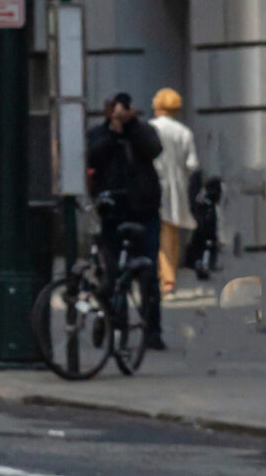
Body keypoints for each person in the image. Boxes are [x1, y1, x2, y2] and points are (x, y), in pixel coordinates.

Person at [85, 91, 166, 345]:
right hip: (112, 213)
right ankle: (111, 323)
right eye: (115, 108)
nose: (120, 112)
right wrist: (113, 132)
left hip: (144, 212)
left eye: (124, 107)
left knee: (148, 273)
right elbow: (92, 156)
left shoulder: (142, 131)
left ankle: (152, 330)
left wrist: (130, 126)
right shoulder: (98, 134)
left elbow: (154, 149)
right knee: (112, 275)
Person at [152, 87, 199, 295]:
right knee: (172, 232)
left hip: (153, 185)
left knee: (157, 231)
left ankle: (163, 275)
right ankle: (169, 277)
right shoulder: (184, 132)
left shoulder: (150, 128)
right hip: (177, 188)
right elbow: (192, 164)